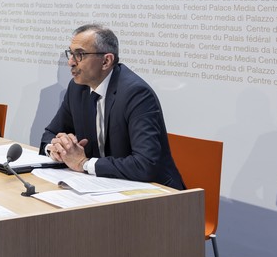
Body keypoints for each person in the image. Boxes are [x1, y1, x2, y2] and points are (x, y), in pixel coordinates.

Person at [41, 24, 184, 188]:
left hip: (157, 195)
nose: (71, 62)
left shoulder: (136, 94)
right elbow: (50, 133)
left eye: (79, 55)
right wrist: (57, 149)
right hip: (103, 187)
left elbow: (145, 164)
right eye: (71, 54)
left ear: (106, 61)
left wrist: (84, 164)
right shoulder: (77, 88)